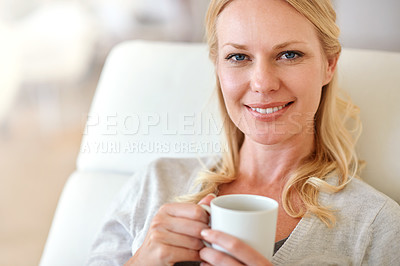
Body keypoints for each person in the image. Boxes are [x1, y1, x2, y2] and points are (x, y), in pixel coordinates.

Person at [87, 0, 400, 265]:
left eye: (289, 54)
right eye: (238, 57)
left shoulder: (374, 225)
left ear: (328, 65)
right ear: (219, 69)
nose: (263, 83)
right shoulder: (155, 183)